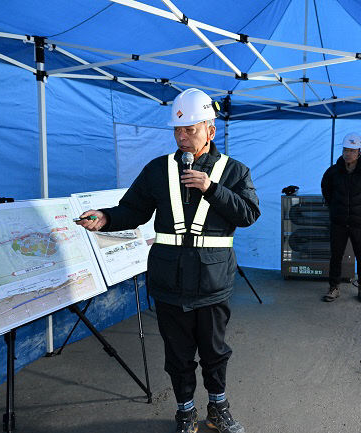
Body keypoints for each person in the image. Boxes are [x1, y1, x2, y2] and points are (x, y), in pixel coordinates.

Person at [76, 88, 260, 433]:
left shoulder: (234, 171)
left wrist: (212, 188)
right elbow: (133, 209)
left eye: (190, 129)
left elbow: (249, 213)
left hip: (212, 281)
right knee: (177, 355)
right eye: (178, 130)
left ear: (210, 130)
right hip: (168, 280)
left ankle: (218, 408)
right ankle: (185, 411)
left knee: (215, 351)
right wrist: (105, 217)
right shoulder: (157, 169)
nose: (182, 136)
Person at [321, 132, 361, 303]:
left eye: (352, 151)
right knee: (336, 255)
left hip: (358, 222)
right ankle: (334, 287)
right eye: (346, 150)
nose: (348, 154)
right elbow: (326, 190)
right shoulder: (333, 172)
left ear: (359, 152)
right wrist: (335, 207)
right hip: (338, 221)